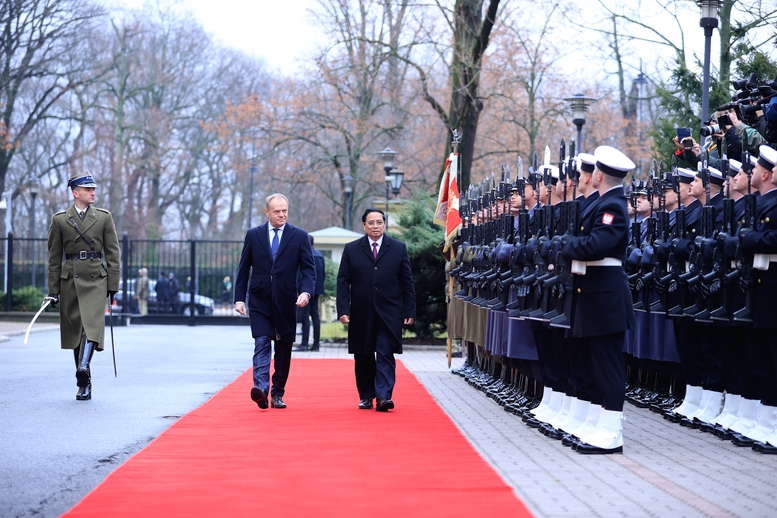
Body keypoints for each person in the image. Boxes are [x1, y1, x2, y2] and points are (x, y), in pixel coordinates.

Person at [560, 146, 636, 454]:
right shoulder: (604, 203)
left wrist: (566, 245)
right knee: (592, 364)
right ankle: (597, 424)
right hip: (592, 292)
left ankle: (611, 432)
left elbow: (597, 245)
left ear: (600, 175)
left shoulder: (613, 206)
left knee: (607, 365)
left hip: (606, 295)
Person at [234, 193, 315, 410]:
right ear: (267, 212)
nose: (281, 215)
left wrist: (306, 292)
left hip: (288, 301)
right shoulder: (254, 235)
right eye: (277, 211)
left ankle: (277, 392)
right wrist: (239, 299)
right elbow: (243, 269)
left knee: (283, 349)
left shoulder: (300, 236)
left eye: (284, 211)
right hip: (260, 300)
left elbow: (308, 269)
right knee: (261, 342)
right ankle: (260, 388)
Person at [46, 170, 121, 401]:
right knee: (75, 331)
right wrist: (52, 291)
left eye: (94, 189)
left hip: (96, 279)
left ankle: (83, 367)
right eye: (88, 189)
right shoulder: (60, 219)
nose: (93, 193)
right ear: (75, 193)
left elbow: (113, 253)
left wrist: (113, 284)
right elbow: (54, 257)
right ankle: (84, 382)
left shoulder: (104, 217)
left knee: (91, 325)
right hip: (70, 279)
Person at [336, 208, 416, 412]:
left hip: (389, 313)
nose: (375, 226)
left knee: (385, 353)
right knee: (363, 355)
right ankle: (366, 395)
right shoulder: (352, 249)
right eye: (371, 223)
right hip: (361, 313)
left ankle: (383, 396)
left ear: (385, 224)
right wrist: (343, 310)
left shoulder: (398, 248)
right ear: (364, 226)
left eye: (379, 222)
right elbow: (343, 282)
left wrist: (410, 310)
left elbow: (407, 282)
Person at [294, 235, 326, 352]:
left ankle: (304, 344)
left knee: (305, 316)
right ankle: (316, 344)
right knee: (315, 315)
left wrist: (299, 289)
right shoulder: (320, 255)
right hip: (317, 289)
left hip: (305, 289)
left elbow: (300, 274)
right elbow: (323, 274)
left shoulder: (302, 255)